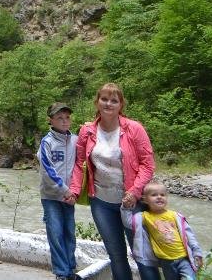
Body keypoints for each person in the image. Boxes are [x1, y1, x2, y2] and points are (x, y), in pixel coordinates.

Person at [66, 83, 157, 280]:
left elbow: (147, 164)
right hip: (101, 202)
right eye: (104, 99)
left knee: (143, 255)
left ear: (121, 104)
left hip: (132, 202)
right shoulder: (87, 131)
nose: (108, 103)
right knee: (116, 256)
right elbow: (79, 163)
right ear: (97, 102)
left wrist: (134, 191)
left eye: (114, 100)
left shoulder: (134, 129)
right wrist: (74, 191)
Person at [129, 180, 204, 280]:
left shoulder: (175, 216)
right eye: (154, 195)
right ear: (145, 200)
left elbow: (190, 236)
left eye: (162, 195)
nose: (159, 197)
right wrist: (125, 208)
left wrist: (197, 252)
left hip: (183, 258)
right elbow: (129, 222)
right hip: (166, 262)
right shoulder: (145, 216)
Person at [38, 102, 79, 280]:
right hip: (51, 196)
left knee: (69, 232)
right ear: (51, 120)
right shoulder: (47, 142)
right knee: (55, 233)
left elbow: (80, 166)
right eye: (59, 118)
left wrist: (75, 191)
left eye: (67, 118)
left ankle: (70, 270)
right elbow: (48, 170)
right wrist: (65, 190)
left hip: (69, 196)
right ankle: (61, 273)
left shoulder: (75, 140)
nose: (64, 121)